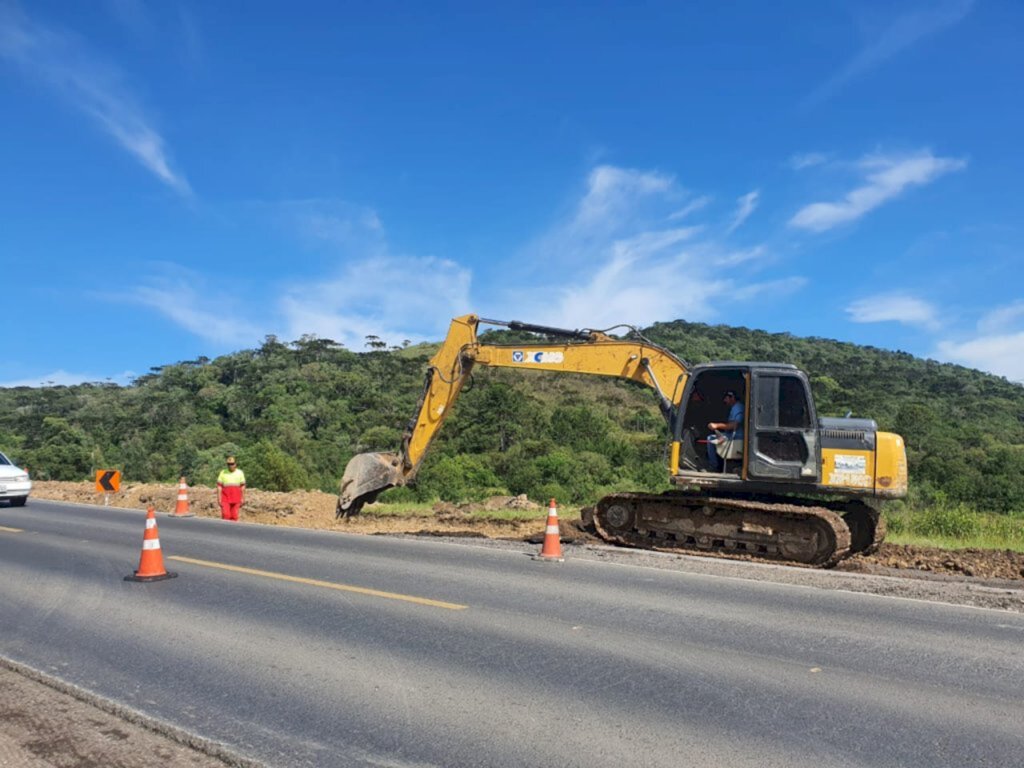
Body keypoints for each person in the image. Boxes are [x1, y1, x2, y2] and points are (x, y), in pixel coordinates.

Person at [706, 390, 744, 472]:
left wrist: (717, 425)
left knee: (710, 439)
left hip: (737, 437)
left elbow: (734, 425)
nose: (724, 401)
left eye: (726, 398)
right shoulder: (735, 408)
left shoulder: (738, 408)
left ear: (732, 398)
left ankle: (714, 466)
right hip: (732, 435)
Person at [216, 456, 246, 521]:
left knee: (234, 517)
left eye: (232, 464)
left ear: (235, 464)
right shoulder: (223, 472)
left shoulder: (240, 473)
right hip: (225, 499)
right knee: (226, 515)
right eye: (229, 464)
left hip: (236, 499)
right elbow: (219, 486)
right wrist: (219, 498)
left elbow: (242, 486)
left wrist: (243, 498)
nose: (230, 466)